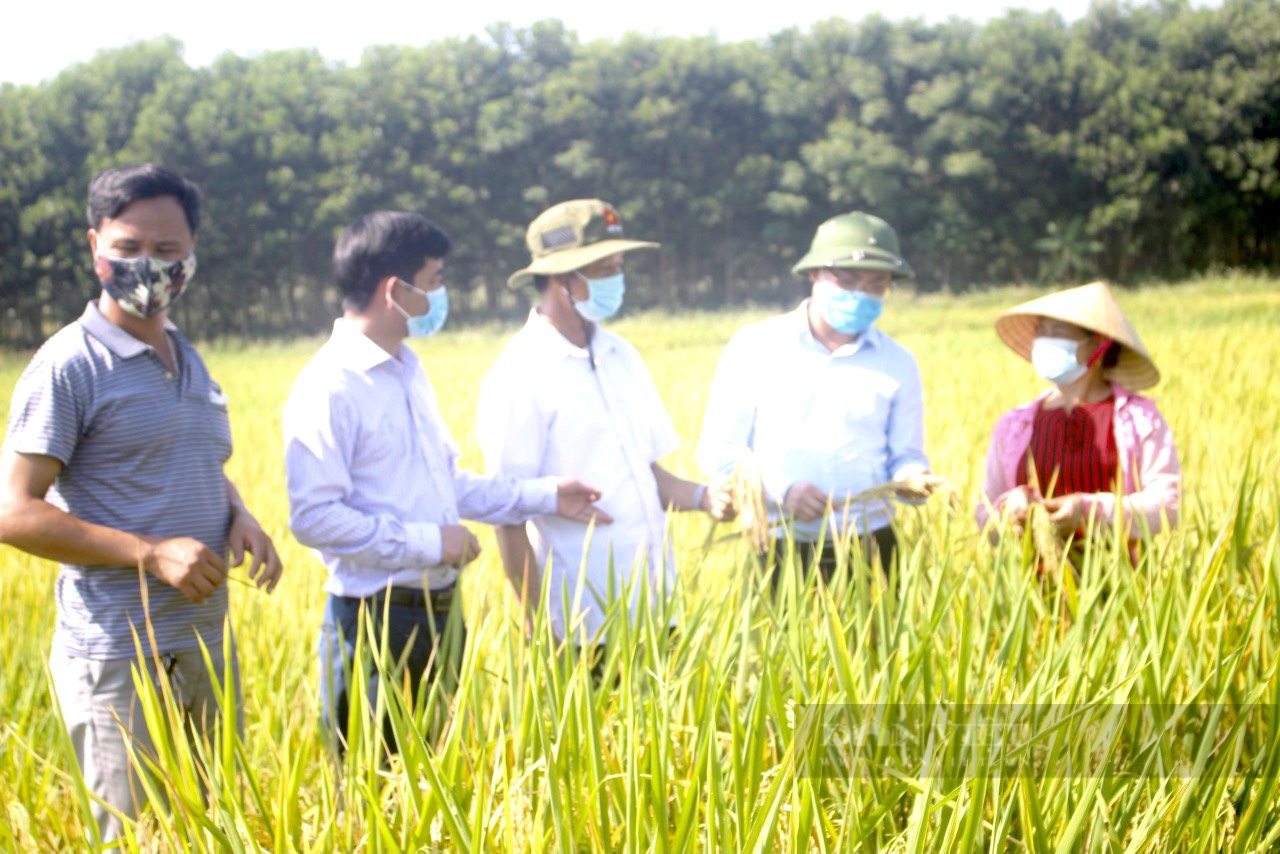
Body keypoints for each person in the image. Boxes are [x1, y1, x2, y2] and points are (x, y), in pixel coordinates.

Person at [0, 163, 283, 842]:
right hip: (123, 656)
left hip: (206, 642)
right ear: (94, 244)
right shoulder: (69, 364)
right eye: (127, 249)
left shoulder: (188, 357)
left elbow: (197, 461)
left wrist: (239, 515)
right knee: (138, 840)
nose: (147, 268)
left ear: (191, 254)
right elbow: (13, 511)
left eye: (165, 251)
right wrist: (149, 553)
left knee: (209, 831)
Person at [283, 211, 609, 752]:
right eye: (433, 282)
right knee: (375, 793)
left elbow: (446, 486)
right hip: (375, 621)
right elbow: (314, 519)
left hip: (438, 610)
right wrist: (433, 542)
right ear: (395, 290)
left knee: (432, 776)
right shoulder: (330, 386)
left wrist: (548, 494)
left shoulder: (407, 370)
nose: (440, 294)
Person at [476, 199, 734, 656]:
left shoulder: (622, 356)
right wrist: (537, 630)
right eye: (603, 268)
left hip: (658, 607)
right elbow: (508, 511)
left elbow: (644, 473)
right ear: (561, 278)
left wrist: (703, 498)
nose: (617, 278)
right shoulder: (520, 373)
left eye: (618, 265)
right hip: (580, 623)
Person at [697, 210, 936, 582]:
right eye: (847, 279)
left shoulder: (898, 363)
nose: (860, 294)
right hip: (779, 541)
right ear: (814, 274)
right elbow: (720, 450)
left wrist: (914, 478)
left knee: (877, 641)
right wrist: (784, 491)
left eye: (876, 285)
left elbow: (906, 454)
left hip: (872, 543)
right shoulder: (755, 346)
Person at [975, 280, 1180, 549]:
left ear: (1099, 343)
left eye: (1058, 331)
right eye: (1042, 331)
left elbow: (1168, 505)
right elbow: (984, 511)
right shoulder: (1015, 425)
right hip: (1031, 584)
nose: (1046, 340)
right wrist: (1008, 510)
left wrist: (1089, 512)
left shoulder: (1139, 421)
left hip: (1120, 580)